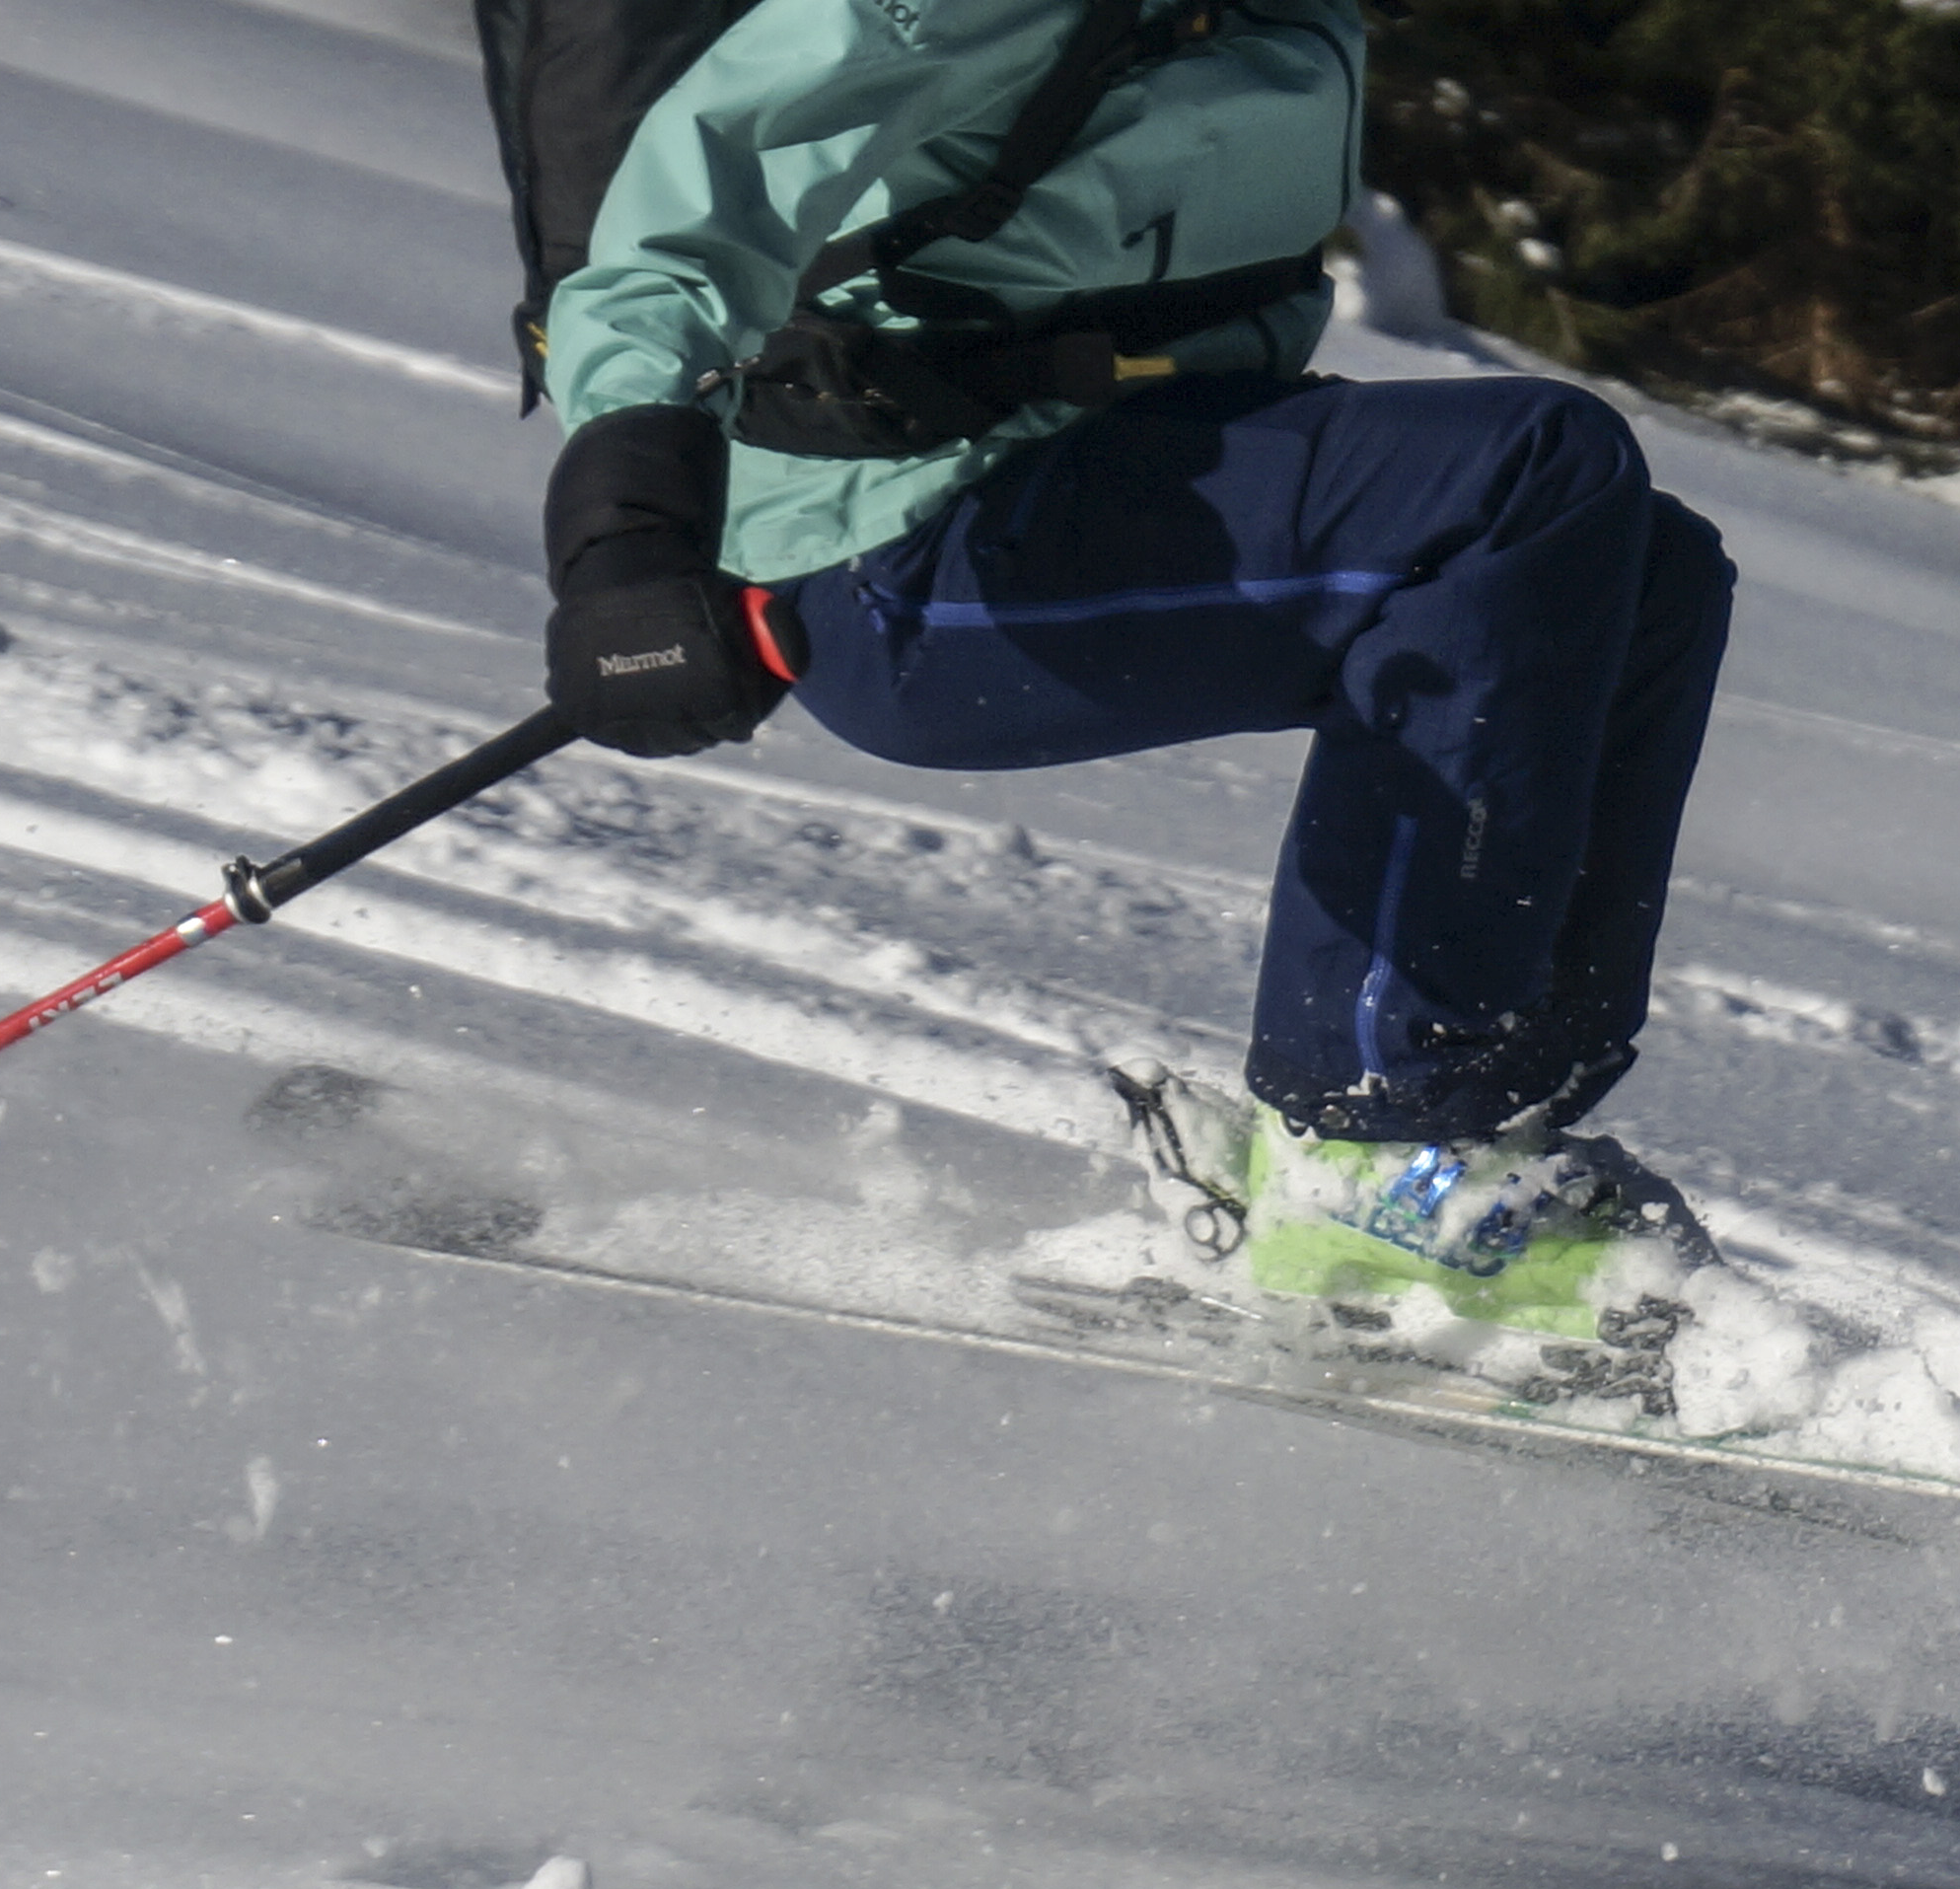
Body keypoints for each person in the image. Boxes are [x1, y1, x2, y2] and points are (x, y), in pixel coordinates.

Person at [527, 0, 1730, 1337]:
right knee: (1530, 477)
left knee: (1645, 568)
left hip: (1088, 470)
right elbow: (681, 223)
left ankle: (1485, 1134)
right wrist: (629, 544)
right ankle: (1377, 1136)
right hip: (910, 558)